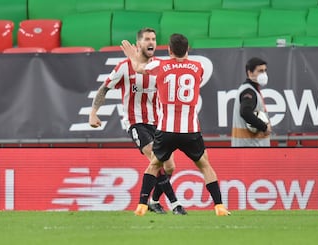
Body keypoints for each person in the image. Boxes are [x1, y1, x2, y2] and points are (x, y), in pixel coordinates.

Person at [121, 33, 231, 216]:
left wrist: (132, 56)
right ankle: (219, 206)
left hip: (166, 129)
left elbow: (139, 68)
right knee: (205, 165)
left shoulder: (160, 65)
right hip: (190, 130)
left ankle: (141, 205)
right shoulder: (198, 67)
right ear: (187, 49)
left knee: (155, 165)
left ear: (169, 50)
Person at [89, 28, 187, 215]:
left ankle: (154, 201)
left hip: (158, 122)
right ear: (138, 44)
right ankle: (176, 204)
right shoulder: (123, 67)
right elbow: (104, 89)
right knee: (155, 159)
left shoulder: (159, 65)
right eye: (147, 39)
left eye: (154, 39)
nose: (152, 42)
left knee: (170, 166)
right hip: (135, 122)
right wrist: (93, 112)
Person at [231, 57, 272, 147]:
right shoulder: (249, 91)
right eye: (260, 71)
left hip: (249, 146)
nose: (264, 74)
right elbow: (245, 112)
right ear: (250, 73)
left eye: (265, 70)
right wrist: (264, 127)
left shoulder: (251, 89)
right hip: (250, 147)